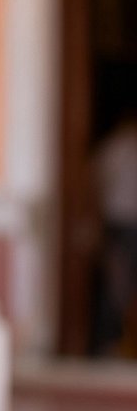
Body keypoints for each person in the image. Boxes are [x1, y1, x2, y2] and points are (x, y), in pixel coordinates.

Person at [92, 103, 137, 357]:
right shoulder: (119, 150)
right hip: (123, 224)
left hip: (116, 224)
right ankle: (114, 344)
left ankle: (113, 344)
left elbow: (95, 187)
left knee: (116, 285)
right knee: (118, 286)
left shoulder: (108, 150)